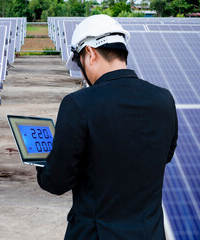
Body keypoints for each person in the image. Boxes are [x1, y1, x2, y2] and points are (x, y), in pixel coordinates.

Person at [36, 15, 178, 240]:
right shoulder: (164, 99)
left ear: (90, 53)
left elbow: (56, 181)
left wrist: (42, 160)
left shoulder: (78, 104)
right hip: (151, 233)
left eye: (80, 61)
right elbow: (164, 155)